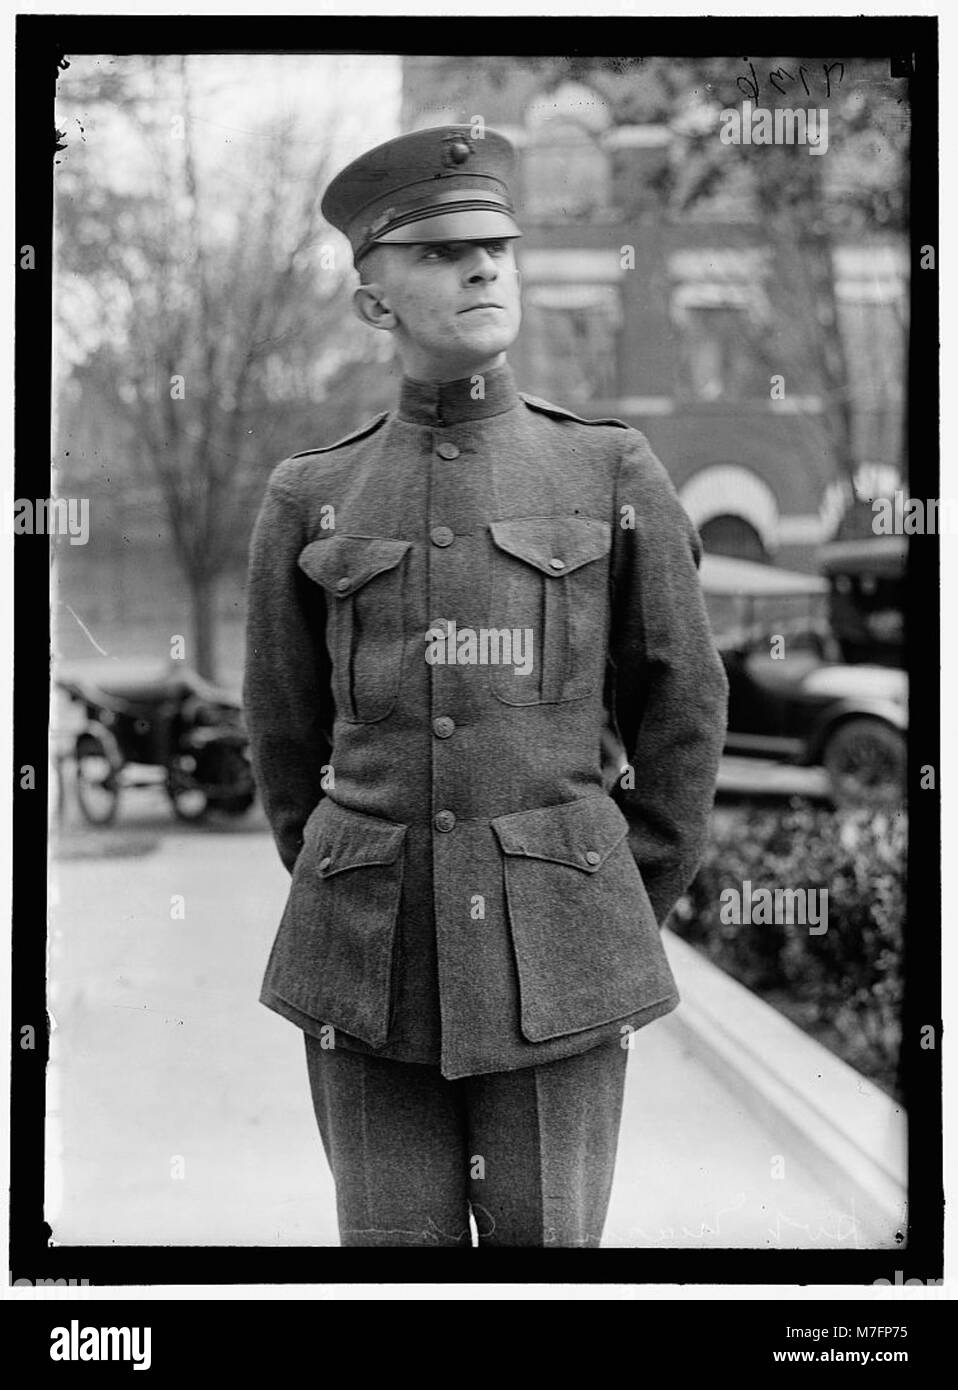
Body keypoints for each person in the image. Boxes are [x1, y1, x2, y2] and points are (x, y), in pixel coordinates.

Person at [243, 125, 729, 1247]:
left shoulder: (607, 470)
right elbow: (280, 734)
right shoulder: (309, 493)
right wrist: (348, 873)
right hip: (362, 963)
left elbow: (684, 708)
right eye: (444, 252)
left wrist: (604, 895)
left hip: (561, 960)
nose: (482, 268)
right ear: (374, 302)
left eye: (498, 248)